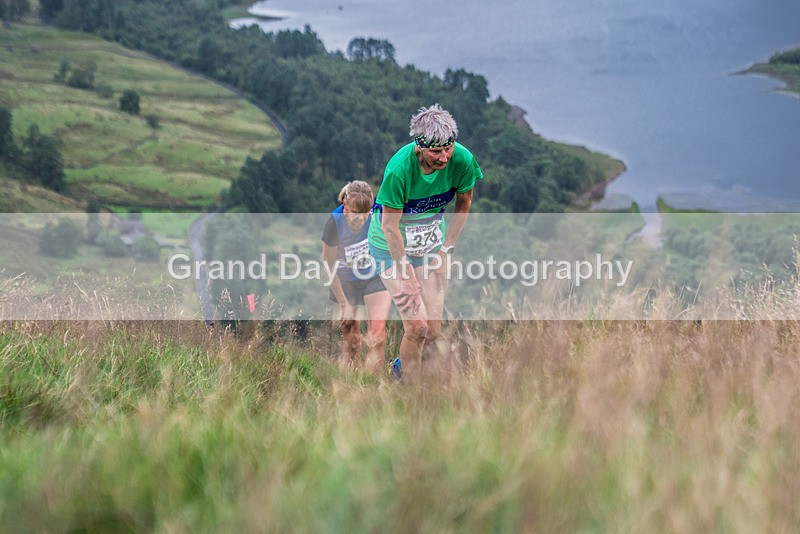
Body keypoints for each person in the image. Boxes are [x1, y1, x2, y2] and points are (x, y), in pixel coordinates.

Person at [368, 104, 483, 381]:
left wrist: (446, 251)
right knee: (417, 327)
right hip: (389, 246)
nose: (444, 158)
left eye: (448, 148)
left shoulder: (463, 160)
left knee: (432, 331)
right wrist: (406, 276)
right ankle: (410, 391)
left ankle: (398, 369)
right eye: (436, 152)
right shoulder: (399, 170)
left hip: (430, 246)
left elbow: (464, 203)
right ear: (419, 147)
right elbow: (389, 227)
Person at [322, 181, 392, 374]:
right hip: (345, 281)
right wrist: (343, 303)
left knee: (377, 336)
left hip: (375, 276)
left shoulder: (379, 211)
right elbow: (328, 265)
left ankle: (374, 386)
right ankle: (349, 386)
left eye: (366, 212)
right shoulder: (334, 224)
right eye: (355, 212)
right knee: (352, 342)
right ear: (345, 206)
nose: (361, 218)